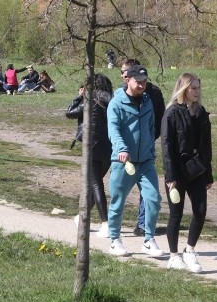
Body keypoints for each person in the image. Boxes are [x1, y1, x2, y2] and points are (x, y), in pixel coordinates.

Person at [106, 64, 164, 258]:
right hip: (124, 161)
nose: (142, 86)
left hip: (146, 161)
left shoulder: (148, 102)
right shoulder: (116, 103)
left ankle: (148, 240)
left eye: (144, 82)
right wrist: (121, 149)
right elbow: (113, 130)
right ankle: (115, 239)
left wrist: (151, 152)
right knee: (118, 201)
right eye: (138, 82)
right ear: (127, 80)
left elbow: (150, 128)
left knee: (154, 199)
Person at [162, 73, 213, 273]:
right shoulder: (172, 113)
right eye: (193, 88)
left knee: (200, 211)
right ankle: (174, 256)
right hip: (177, 169)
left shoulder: (201, 113)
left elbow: (207, 146)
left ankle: (190, 250)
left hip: (198, 168)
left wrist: (208, 173)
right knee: (176, 214)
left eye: (198, 88)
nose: (197, 92)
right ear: (183, 90)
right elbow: (167, 146)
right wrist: (170, 176)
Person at [119, 57, 165, 237]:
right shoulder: (121, 94)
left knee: (148, 188)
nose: (122, 75)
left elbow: (159, 119)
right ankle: (114, 225)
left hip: (144, 148)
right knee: (121, 188)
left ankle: (143, 224)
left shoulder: (153, 93)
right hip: (124, 148)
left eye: (123, 71)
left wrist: (148, 139)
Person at [70, 74, 114, 237]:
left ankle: (105, 223)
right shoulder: (113, 98)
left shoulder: (91, 99)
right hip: (109, 147)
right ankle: (82, 217)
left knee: (96, 185)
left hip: (92, 145)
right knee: (96, 183)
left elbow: (70, 113)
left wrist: (79, 97)